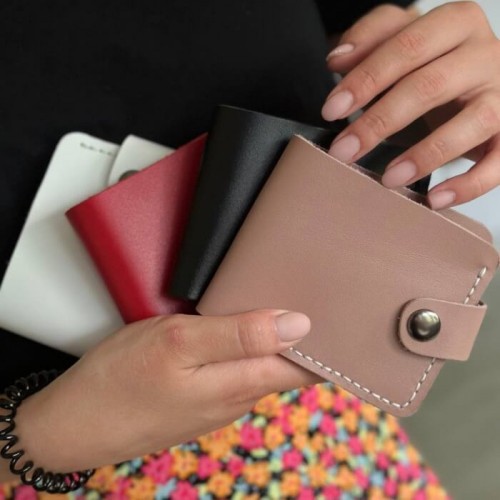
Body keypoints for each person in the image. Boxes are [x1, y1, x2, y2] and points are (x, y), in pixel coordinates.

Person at [0, 0, 499, 497]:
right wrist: (41, 438)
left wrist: (430, 79)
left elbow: (346, 37)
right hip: (63, 469)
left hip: (317, 402)